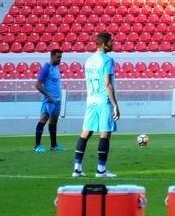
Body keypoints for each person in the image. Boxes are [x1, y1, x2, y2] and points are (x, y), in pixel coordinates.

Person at [73, 32, 120, 178]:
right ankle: (101, 170)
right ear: (105, 44)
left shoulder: (89, 60)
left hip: (91, 100)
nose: (114, 44)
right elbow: (107, 84)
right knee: (105, 134)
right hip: (103, 101)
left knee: (85, 134)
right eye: (112, 41)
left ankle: (77, 169)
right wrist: (115, 105)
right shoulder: (107, 60)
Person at [33, 49, 65, 153]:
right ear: (52, 57)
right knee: (42, 121)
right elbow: (38, 85)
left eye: (60, 57)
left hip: (57, 101)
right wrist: (48, 96)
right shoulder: (46, 68)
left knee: (53, 122)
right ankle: (37, 146)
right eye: (58, 57)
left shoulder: (56, 68)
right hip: (49, 101)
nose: (60, 59)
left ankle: (54, 145)